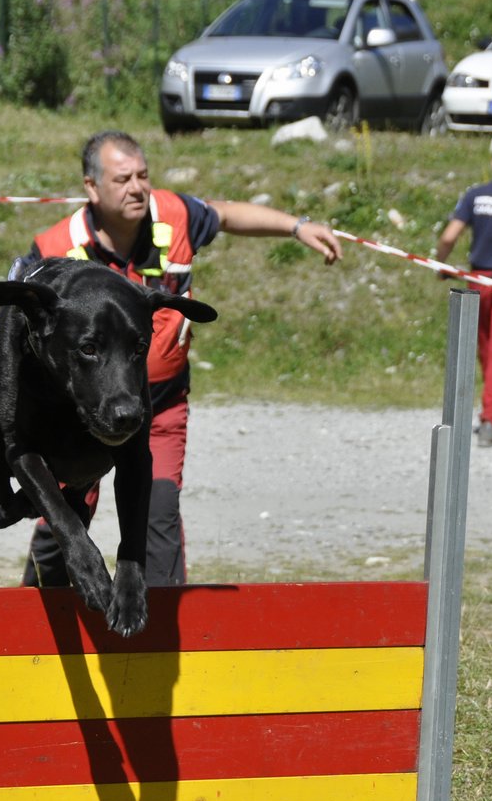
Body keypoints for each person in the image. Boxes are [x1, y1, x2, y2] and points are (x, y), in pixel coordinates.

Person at [18, 130, 342, 588]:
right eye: (123, 178)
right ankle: (31, 629)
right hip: (81, 418)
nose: (137, 188)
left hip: (159, 406)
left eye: (143, 175)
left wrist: (296, 226)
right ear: (91, 187)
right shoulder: (52, 250)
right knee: (61, 525)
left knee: (158, 517)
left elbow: (227, 215)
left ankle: (163, 641)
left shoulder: (174, 215)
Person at [434, 139, 492, 447]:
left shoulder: (476, 194)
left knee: (487, 352)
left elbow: (449, 236)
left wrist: (441, 264)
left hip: (478, 281)